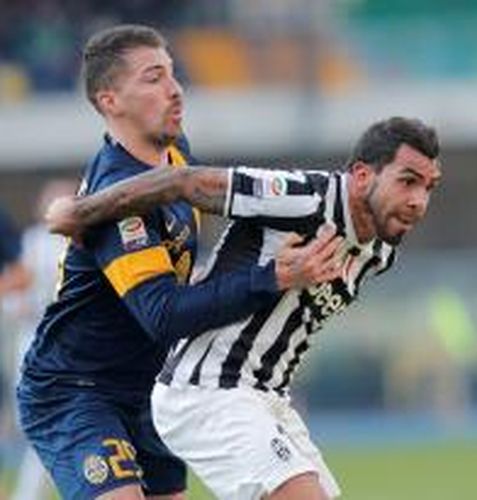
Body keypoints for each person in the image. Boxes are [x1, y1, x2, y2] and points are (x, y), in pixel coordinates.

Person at [16, 24, 343, 500]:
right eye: (153, 78)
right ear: (110, 101)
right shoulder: (120, 204)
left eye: (172, 73)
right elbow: (163, 315)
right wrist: (271, 277)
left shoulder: (173, 157)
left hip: (148, 388)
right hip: (77, 388)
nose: (174, 89)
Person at [46, 116, 442, 499]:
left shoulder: (380, 252)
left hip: (269, 399)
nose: (419, 202)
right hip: (208, 391)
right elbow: (182, 182)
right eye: (407, 182)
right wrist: (82, 212)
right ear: (361, 176)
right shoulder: (302, 197)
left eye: (428, 188)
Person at [2, 180, 77, 500]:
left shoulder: (83, 242)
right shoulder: (32, 242)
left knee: (50, 429)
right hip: (36, 345)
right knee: (45, 429)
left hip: (67, 348)